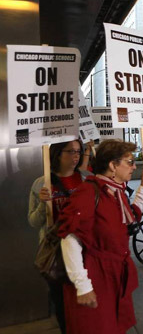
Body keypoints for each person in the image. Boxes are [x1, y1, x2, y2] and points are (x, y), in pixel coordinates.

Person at [57, 139, 143, 334]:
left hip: (114, 276)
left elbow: (132, 217)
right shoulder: (88, 192)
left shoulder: (115, 191)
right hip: (96, 276)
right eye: (129, 161)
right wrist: (82, 285)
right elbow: (70, 238)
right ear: (112, 165)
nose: (134, 166)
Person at [28, 139, 91, 333]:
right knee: (62, 304)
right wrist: (42, 204)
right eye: (70, 151)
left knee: (85, 303)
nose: (76, 156)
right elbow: (33, 222)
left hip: (85, 253)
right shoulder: (41, 183)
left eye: (78, 152)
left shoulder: (87, 179)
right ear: (57, 153)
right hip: (56, 255)